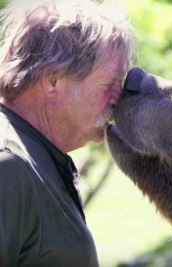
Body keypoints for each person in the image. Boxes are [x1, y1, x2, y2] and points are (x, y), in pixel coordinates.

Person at [0, 0, 134, 266]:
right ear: (53, 80)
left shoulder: (31, 157)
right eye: (110, 82)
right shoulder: (8, 166)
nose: (118, 98)